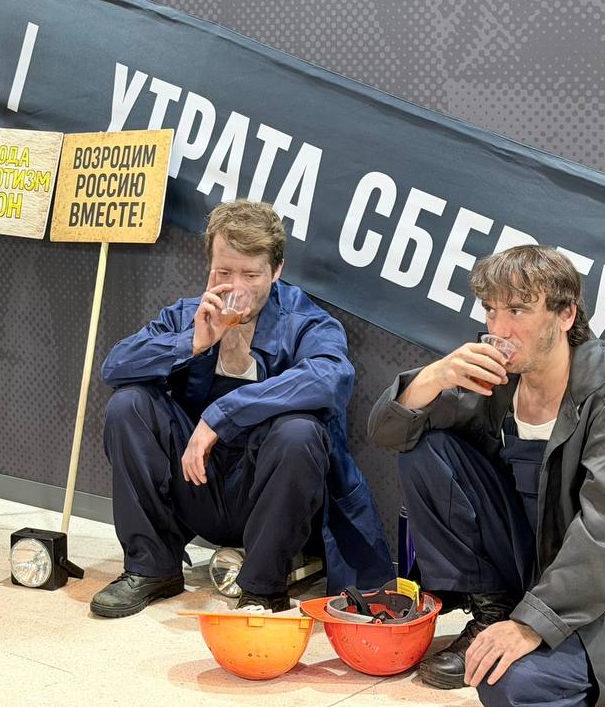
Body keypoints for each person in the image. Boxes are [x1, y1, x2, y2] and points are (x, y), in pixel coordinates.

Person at [368, 245, 605, 706]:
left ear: (565, 315)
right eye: (491, 310)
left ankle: (532, 635)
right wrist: (433, 377)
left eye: (517, 310)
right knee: (425, 449)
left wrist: (531, 624)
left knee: (506, 682)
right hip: (532, 571)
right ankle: (491, 612)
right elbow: (389, 433)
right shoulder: (500, 380)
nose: (499, 329)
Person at [90, 200, 393, 617]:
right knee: (129, 405)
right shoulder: (189, 315)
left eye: (251, 275)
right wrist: (191, 344)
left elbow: (331, 378)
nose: (236, 287)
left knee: (299, 431)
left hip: (269, 496)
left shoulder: (306, 322)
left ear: (276, 270)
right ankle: (151, 568)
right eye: (223, 273)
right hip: (199, 482)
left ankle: (263, 588)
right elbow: (115, 366)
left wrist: (221, 415)